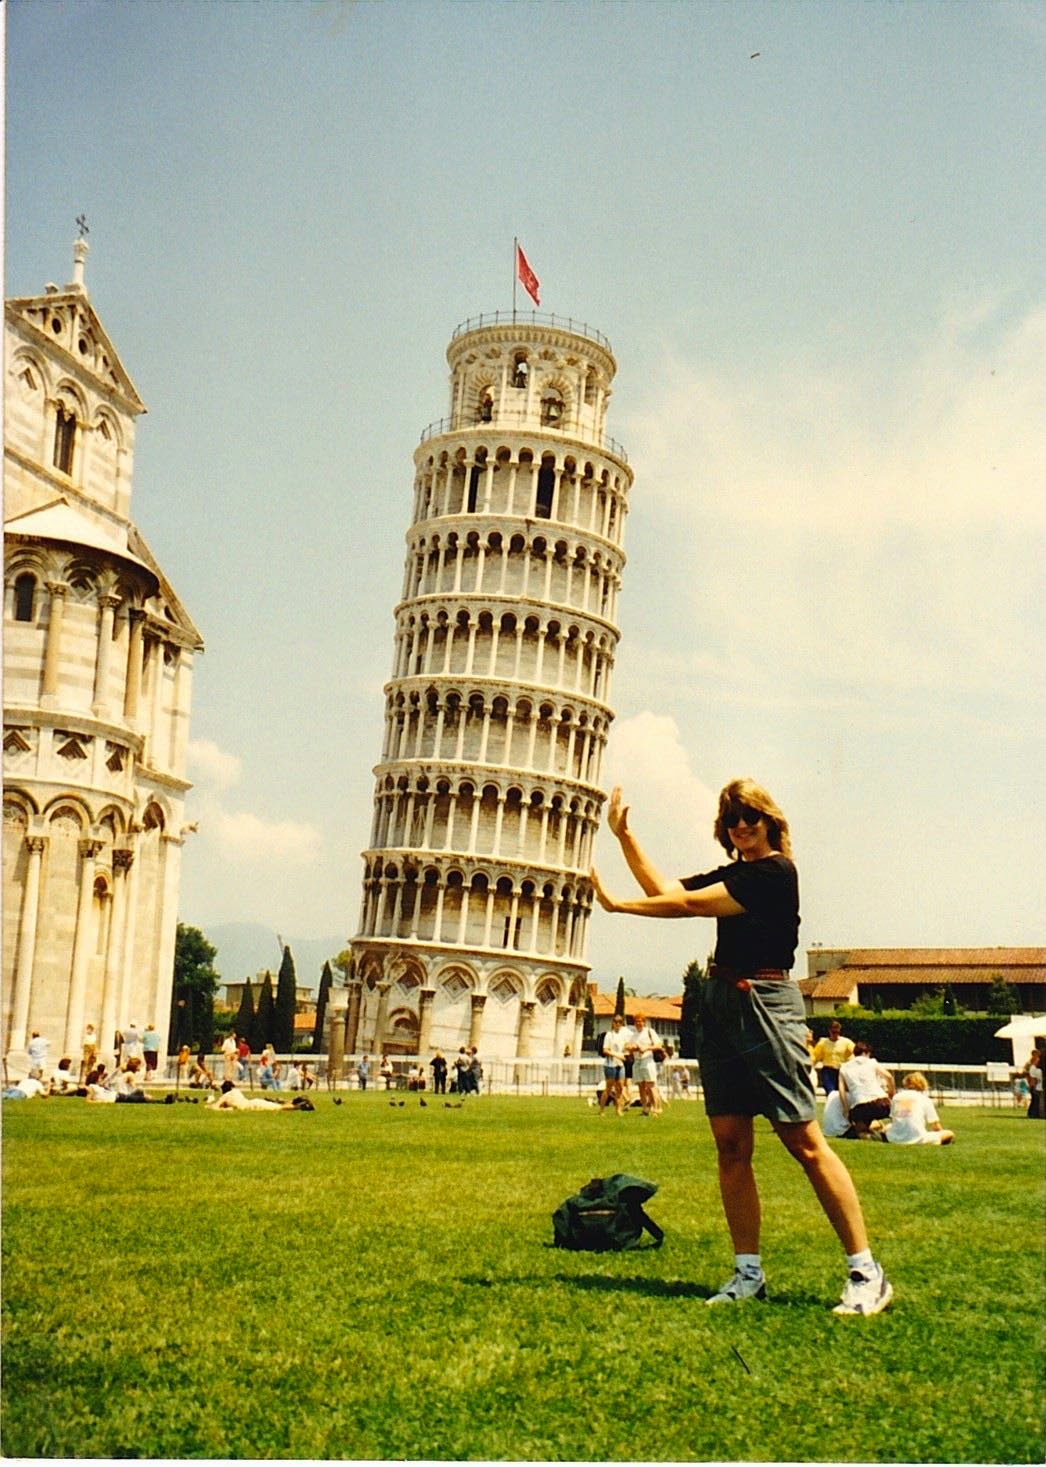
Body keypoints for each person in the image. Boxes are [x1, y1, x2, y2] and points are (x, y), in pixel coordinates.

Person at [591, 779, 893, 1316]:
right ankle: (748, 1273)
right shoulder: (735, 874)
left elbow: (683, 905)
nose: (741, 825)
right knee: (730, 1145)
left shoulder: (775, 873)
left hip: (765, 1001)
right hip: (721, 1004)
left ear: (770, 820)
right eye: (731, 818)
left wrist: (618, 905)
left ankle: (866, 1271)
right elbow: (666, 888)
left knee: (803, 1141)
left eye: (750, 815)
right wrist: (625, 836)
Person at [838, 1042, 894, 1139]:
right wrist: (891, 1093)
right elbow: (889, 1077)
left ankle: (869, 1133)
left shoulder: (844, 1067)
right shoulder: (871, 1062)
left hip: (860, 1105)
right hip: (880, 1101)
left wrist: (846, 1109)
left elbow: (841, 1091)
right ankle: (889, 1131)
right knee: (896, 1116)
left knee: (861, 1130)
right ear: (866, 1053)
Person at [881, 1073, 955, 1145]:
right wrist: (940, 1134)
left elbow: (894, 1119)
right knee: (949, 1133)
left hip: (894, 1138)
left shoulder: (896, 1097)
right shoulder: (925, 1099)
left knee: (887, 1126)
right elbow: (935, 1126)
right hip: (918, 1139)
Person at [627, 1013, 663, 1116]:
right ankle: (645, 1109)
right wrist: (632, 1048)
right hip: (637, 1061)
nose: (638, 1023)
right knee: (641, 1087)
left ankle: (656, 1108)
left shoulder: (649, 1031)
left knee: (651, 1086)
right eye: (636, 1021)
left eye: (640, 1021)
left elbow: (658, 1045)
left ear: (644, 1022)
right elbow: (629, 1047)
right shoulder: (633, 1035)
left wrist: (646, 1048)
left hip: (647, 1060)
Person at [207, 1080, 313, 1112]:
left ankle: (300, 1106)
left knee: (279, 1108)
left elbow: (216, 1107)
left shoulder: (225, 1096)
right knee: (277, 1106)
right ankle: (295, 1102)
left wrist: (209, 1106)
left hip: (250, 1107)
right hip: (253, 1102)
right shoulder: (236, 1091)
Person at [811, 1021, 854, 1096]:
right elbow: (815, 1056)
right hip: (828, 1071)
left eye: (837, 1032)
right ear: (829, 1031)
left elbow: (855, 1054)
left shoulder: (847, 1042)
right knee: (830, 1092)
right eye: (833, 1032)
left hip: (840, 1071)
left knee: (841, 1093)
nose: (835, 1034)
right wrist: (811, 1067)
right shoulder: (823, 1042)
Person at [600, 1014, 628, 1116]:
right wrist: (617, 1055)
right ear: (613, 1023)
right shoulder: (609, 1035)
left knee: (620, 1087)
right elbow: (605, 1050)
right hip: (610, 1064)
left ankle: (618, 1109)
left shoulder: (623, 1035)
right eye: (616, 1022)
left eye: (620, 1022)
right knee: (608, 1088)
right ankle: (602, 1109)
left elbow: (625, 1047)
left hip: (620, 1065)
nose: (618, 1024)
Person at [1021, 1048, 1043, 1119]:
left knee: (1035, 1099)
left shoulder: (1035, 1063)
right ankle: (1032, 1113)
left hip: (1035, 1084)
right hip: (1033, 1084)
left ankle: (1034, 1113)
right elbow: (1026, 1072)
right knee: (1035, 1099)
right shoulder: (1030, 1064)